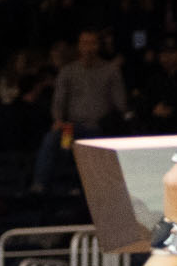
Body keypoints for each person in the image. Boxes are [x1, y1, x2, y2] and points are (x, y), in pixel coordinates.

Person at [35, 30, 127, 193]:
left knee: (91, 144)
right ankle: (40, 185)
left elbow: (120, 104)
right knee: (54, 139)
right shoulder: (68, 71)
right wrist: (58, 120)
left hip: (99, 128)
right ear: (79, 46)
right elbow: (59, 101)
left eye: (92, 43)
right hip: (71, 127)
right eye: (84, 43)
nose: (88, 48)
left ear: (98, 46)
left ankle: (80, 187)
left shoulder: (110, 71)